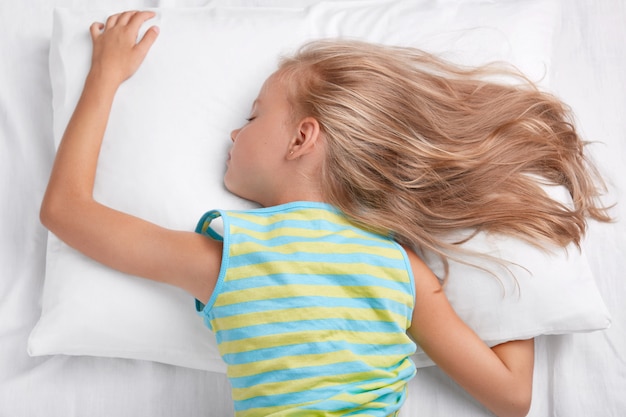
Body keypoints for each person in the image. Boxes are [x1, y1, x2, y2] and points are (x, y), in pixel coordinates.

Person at [40, 10, 610, 417]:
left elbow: (67, 211)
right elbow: (512, 398)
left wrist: (105, 77)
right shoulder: (398, 269)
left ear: (301, 138)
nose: (234, 133)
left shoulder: (231, 254)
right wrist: (509, 229)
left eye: (254, 115)